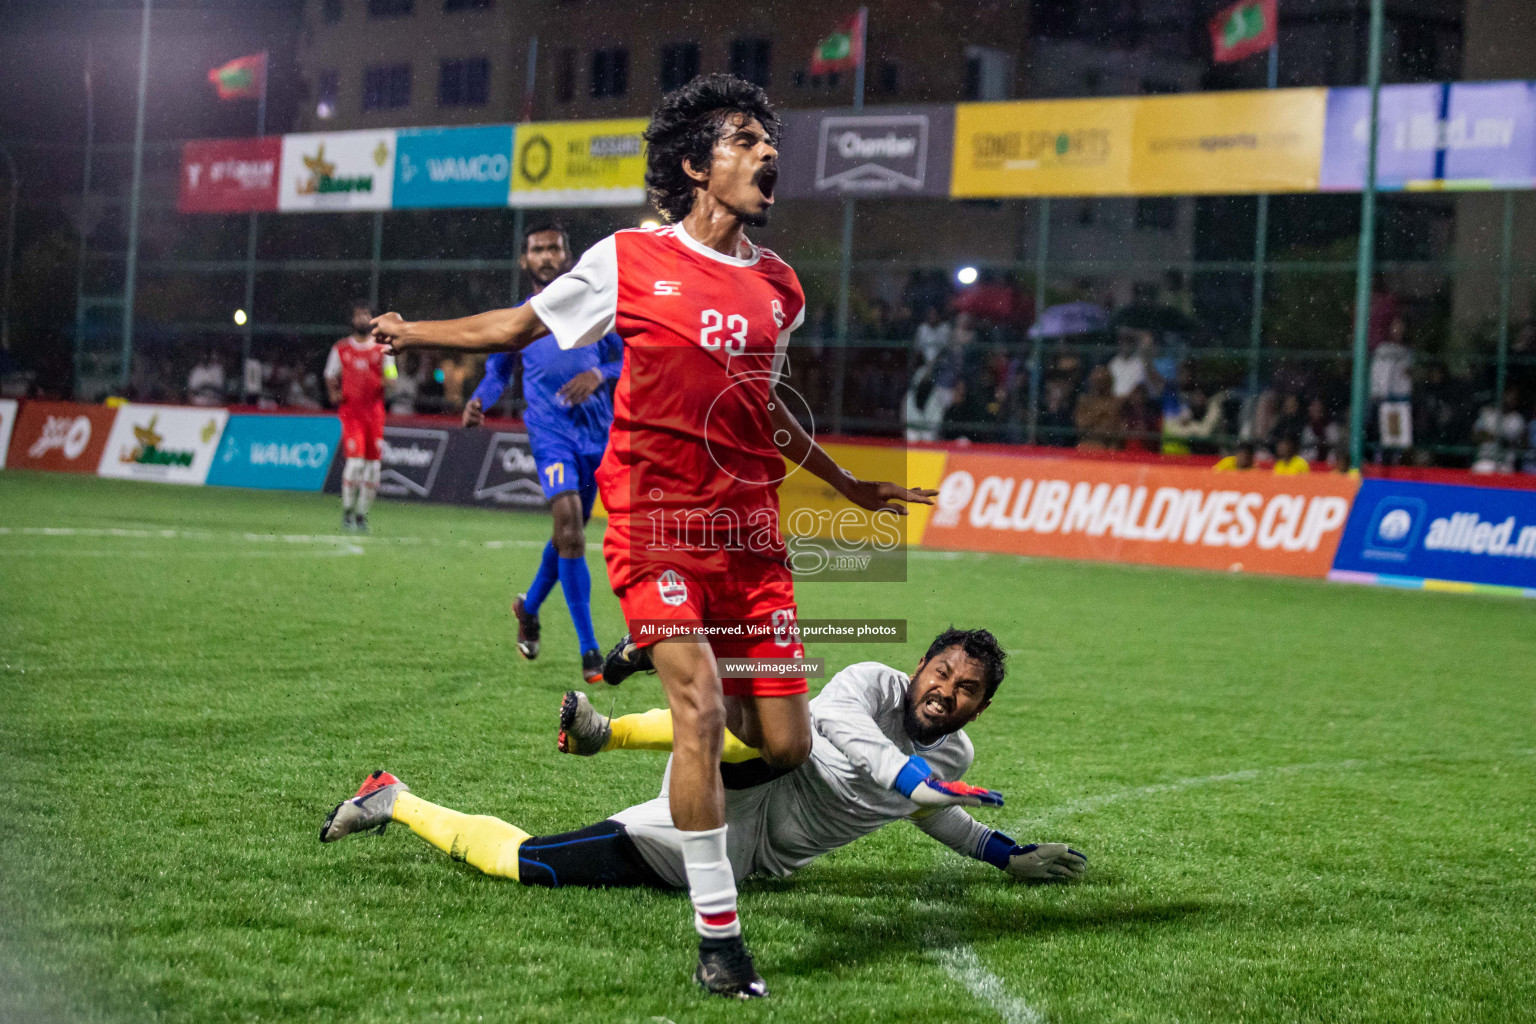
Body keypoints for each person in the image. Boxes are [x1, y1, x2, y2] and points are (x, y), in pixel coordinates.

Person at [368, 73, 934, 998]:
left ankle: (680, 760)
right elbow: (517, 325)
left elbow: (767, 413)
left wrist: (844, 483)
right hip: (655, 524)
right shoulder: (630, 258)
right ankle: (720, 938)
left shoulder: (781, 288)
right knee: (701, 717)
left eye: (768, 139)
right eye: (745, 139)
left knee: (784, 745)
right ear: (694, 164)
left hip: (749, 537)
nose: (766, 153)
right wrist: (414, 329)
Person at [319, 628, 1087, 975]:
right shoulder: (865, 684)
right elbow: (866, 753)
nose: (946, 693)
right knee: (777, 734)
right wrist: (918, 782)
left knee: (530, 866)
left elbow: (932, 812)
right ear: (918, 666)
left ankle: (395, 800)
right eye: (942, 674)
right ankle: (610, 729)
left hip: (734, 849)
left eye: (966, 691)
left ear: (978, 709)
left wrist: (1005, 853)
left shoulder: (954, 756)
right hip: (741, 771)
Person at [463, 224, 624, 684]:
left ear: (568, 256)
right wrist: (479, 399)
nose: (547, 255)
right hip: (550, 433)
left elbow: (627, 359)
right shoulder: (521, 320)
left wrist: (599, 373)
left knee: (566, 537)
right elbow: (497, 373)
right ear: (525, 260)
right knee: (571, 529)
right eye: (537, 249)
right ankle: (590, 649)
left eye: (554, 248)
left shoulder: (595, 313)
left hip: (598, 435)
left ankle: (528, 608)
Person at [326, 300, 395, 532]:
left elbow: (392, 375)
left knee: (373, 469)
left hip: (375, 414)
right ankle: (347, 511)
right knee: (355, 464)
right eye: (358, 315)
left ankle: (361, 515)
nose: (362, 319)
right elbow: (329, 374)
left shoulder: (382, 348)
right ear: (352, 320)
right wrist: (334, 393)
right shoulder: (341, 348)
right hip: (352, 413)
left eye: (366, 315)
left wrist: (389, 380)